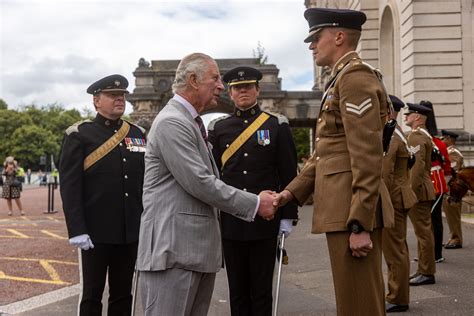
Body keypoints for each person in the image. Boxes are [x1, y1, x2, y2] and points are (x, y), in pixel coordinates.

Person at [273, 8, 394, 315]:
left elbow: (366, 156)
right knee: (354, 301)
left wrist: (360, 223)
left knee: (359, 305)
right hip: (343, 208)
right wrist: (291, 192)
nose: (311, 45)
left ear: (339, 37)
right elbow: (327, 152)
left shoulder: (354, 78)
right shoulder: (341, 79)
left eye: (316, 37)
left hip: (351, 211)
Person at [136, 53, 277, 316]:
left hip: (191, 252)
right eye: (215, 79)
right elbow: (201, 182)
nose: (222, 87)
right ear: (193, 80)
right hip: (174, 253)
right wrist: (256, 203)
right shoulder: (172, 122)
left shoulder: (188, 122)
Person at [208, 66, 298, 315]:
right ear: (230, 92)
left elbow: (288, 173)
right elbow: (213, 176)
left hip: (265, 220)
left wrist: (288, 215)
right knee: (237, 291)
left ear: (258, 89)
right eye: (237, 88)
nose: (243, 91)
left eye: (248, 86)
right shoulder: (218, 128)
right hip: (232, 221)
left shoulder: (276, 125)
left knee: (261, 292)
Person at [59, 74, 146, 315]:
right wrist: (77, 228)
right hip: (94, 232)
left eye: (122, 96)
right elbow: (70, 185)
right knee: (91, 295)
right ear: (96, 101)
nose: (119, 99)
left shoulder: (137, 133)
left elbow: (145, 183)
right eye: (112, 95)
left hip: (130, 230)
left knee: (123, 294)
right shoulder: (79, 134)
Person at [382, 95, 418, 313]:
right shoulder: (397, 133)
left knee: (394, 250)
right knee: (398, 248)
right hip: (399, 196)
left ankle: (397, 297)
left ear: (387, 110)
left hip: (393, 199)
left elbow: (384, 174)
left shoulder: (391, 136)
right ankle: (398, 295)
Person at [404, 103, 437, 286]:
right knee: (424, 231)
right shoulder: (424, 135)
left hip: (419, 190)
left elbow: (416, 169)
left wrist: (410, 191)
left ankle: (426, 271)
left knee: (423, 232)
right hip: (424, 188)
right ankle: (425, 270)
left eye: (409, 114)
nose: (406, 116)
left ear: (417, 117)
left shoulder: (416, 137)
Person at [422, 100, 451, 264]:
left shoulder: (438, 143)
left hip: (436, 182)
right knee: (425, 219)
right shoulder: (432, 141)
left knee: (434, 219)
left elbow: (446, 166)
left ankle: (436, 253)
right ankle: (428, 253)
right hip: (427, 181)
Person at [441, 129, 464, 249]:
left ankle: (456, 239)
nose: (442, 140)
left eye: (444, 138)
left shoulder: (454, 153)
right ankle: (452, 237)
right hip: (449, 189)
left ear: (450, 139)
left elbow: (451, 171)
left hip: (453, 190)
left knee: (453, 215)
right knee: (450, 215)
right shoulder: (448, 152)